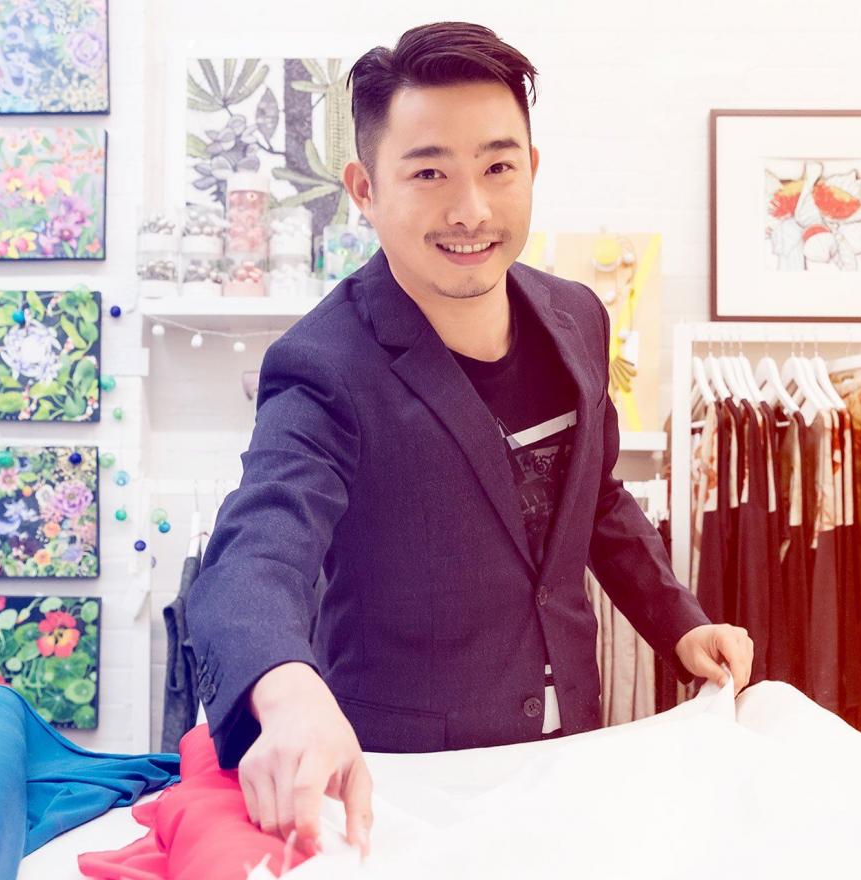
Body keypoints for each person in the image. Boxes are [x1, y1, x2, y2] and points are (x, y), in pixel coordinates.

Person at [186, 21, 754, 860]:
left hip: (575, 757)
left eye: (498, 166)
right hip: (412, 788)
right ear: (364, 187)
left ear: (533, 167)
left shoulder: (576, 317)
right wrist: (285, 683)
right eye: (428, 173)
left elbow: (592, 495)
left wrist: (676, 623)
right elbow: (254, 551)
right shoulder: (323, 364)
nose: (472, 210)